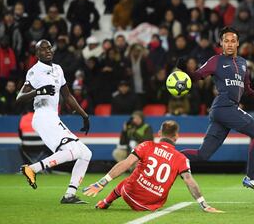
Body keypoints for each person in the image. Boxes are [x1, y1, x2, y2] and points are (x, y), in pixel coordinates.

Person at [178, 26, 254, 194]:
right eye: (226, 41)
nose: (229, 44)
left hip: (225, 111)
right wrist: (185, 72)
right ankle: (250, 178)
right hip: (224, 106)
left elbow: (246, 89)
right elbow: (197, 76)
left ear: (238, 43)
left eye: (233, 41)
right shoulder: (215, 61)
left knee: (203, 155)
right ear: (221, 43)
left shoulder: (243, 63)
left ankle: (170, 157)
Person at [83, 120, 222, 213]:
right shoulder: (181, 158)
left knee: (128, 179)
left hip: (129, 195)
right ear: (176, 137)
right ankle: (107, 201)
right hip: (152, 205)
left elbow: (126, 164)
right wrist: (204, 204)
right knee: (135, 179)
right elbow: (189, 181)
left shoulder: (146, 145)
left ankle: (106, 202)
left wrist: (102, 182)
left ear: (160, 133)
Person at [16, 39, 92, 204]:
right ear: (37, 54)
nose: (47, 50)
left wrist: (84, 115)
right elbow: (19, 98)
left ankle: (69, 195)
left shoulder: (58, 69)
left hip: (52, 116)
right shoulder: (34, 72)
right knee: (74, 151)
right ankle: (32, 168)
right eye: (43, 49)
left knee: (86, 153)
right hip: (43, 116)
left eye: (49, 47)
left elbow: (68, 96)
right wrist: (38, 91)